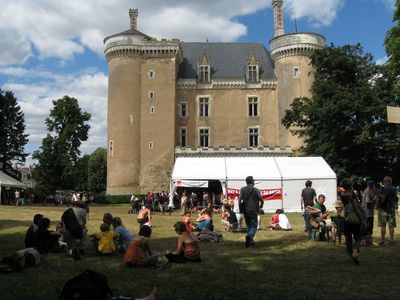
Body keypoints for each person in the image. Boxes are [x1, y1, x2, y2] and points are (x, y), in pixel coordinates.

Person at [340, 178, 363, 265]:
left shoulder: (342, 194)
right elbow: (356, 207)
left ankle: (350, 255)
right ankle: (355, 253)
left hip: (346, 218)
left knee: (348, 238)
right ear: (350, 185)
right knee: (358, 237)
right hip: (354, 218)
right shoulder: (351, 194)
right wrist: (361, 218)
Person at [239, 175, 263, 248]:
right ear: (252, 181)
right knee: (254, 225)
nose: (254, 181)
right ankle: (249, 236)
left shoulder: (242, 189)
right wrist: (262, 204)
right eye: (253, 180)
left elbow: (240, 199)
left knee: (248, 224)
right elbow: (260, 199)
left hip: (246, 209)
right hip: (253, 209)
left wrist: (240, 208)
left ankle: (251, 241)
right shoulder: (256, 190)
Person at [377, 176, 398, 246]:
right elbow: (396, 198)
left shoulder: (382, 189)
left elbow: (379, 198)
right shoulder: (394, 189)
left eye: (384, 181)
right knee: (391, 226)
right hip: (391, 209)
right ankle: (391, 240)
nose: (384, 182)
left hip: (382, 209)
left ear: (386, 181)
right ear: (391, 181)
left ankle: (382, 240)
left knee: (383, 226)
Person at [362, 180, 377, 246]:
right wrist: (375, 199)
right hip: (368, 213)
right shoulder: (368, 191)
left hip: (367, 212)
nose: (374, 186)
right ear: (371, 185)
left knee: (367, 227)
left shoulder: (367, 190)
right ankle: (368, 242)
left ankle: (367, 242)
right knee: (368, 228)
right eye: (373, 185)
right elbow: (367, 202)